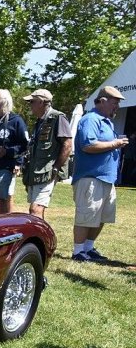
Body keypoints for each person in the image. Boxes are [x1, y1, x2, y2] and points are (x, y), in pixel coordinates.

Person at [70, 86, 128, 262]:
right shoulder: (90, 119)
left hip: (105, 178)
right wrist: (115, 143)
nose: (117, 107)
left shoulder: (106, 121)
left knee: (102, 216)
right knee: (87, 215)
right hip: (90, 177)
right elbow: (88, 145)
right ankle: (78, 251)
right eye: (114, 103)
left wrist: (114, 143)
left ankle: (89, 248)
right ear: (102, 101)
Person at [22, 89, 73, 220]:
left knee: (36, 209)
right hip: (36, 171)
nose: (30, 105)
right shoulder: (40, 121)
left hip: (48, 171)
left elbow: (67, 144)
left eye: (32, 102)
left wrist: (56, 167)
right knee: (34, 209)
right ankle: (42, 238)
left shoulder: (57, 117)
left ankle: (39, 239)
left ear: (41, 102)